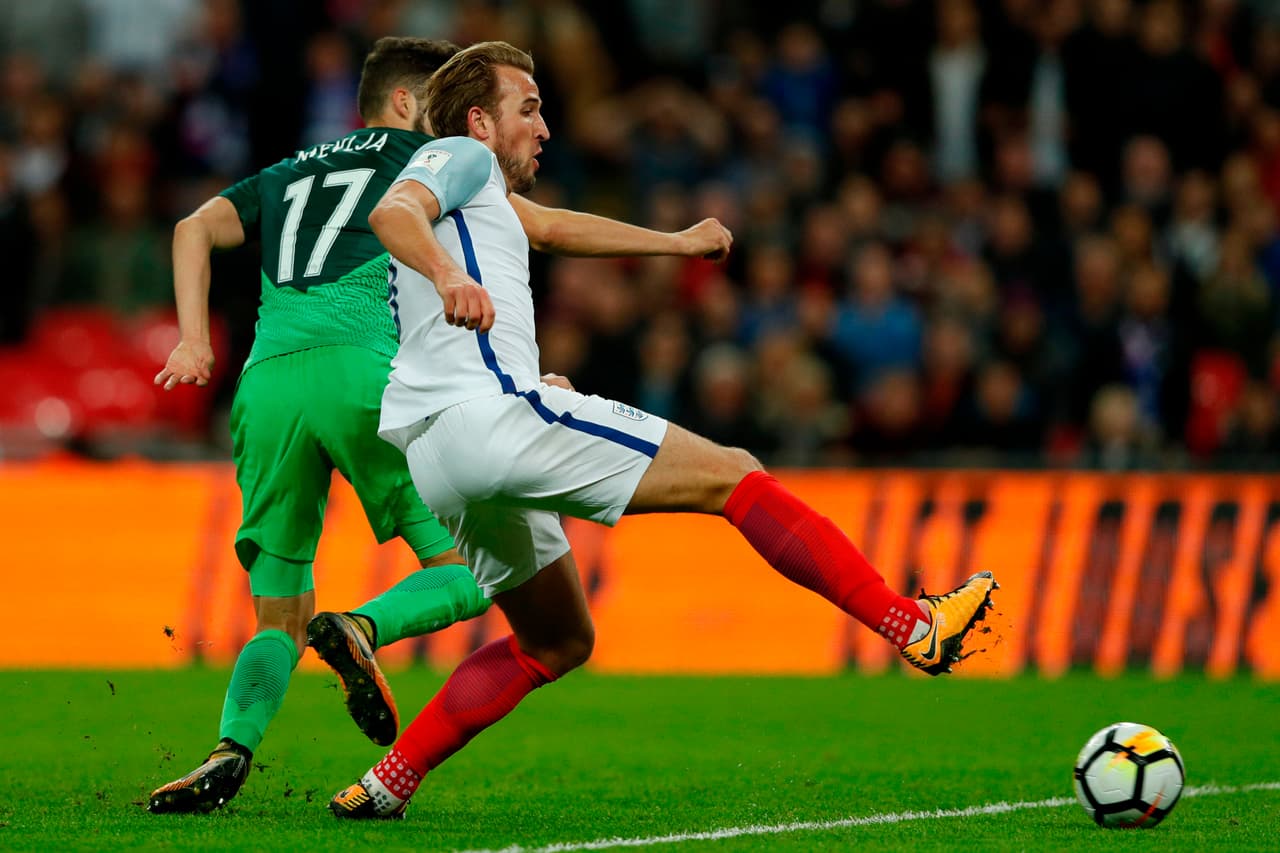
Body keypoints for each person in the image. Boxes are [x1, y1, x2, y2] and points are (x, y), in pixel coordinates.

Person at [328, 41, 999, 820]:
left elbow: (552, 228)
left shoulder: (484, 201)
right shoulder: (458, 157)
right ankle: (916, 624)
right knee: (733, 471)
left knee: (555, 641)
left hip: (439, 455)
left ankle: (387, 781)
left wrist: (674, 242)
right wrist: (451, 279)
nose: (545, 128)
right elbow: (392, 212)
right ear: (479, 122)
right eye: (529, 109)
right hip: (490, 418)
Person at [148, 37, 734, 815]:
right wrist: (676, 242)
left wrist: (194, 340)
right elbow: (549, 228)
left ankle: (231, 747)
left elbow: (191, 227)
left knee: (278, 611)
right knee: (470, 567)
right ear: (405, 103)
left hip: (267, 383)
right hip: (365, 373)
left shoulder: (288, 172)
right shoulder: (425, 162)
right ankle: (361, 626)